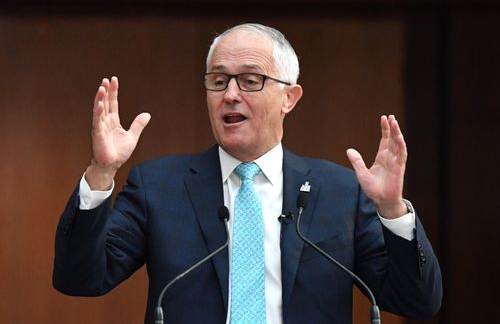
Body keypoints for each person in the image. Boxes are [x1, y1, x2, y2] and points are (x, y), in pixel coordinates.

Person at [53, 23, 442, 323]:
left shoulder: (340, 191)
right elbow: (81, 279)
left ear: (289, 97)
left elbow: (416, 301)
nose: (231, 94)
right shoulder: (159, 186)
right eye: (218, 81)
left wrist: (392, 210)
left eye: (250, 80)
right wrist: (101, 172)